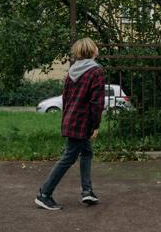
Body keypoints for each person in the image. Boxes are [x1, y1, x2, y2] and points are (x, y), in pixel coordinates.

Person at [35, 37, 105, 210]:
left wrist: (65, 120)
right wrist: (95, 125)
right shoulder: (96, 71)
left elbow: (65, 99)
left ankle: (87, 191)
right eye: (96, 46)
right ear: (92, 51)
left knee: (86, 152)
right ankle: (44, 194)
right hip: (83, 122)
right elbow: (97, 102)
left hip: (71, 119)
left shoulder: (72, 71)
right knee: (69, 157)